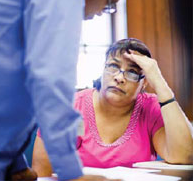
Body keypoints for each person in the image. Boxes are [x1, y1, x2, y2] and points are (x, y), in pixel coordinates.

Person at [0, 0, 134, 180]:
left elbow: (9, 66)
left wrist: (15, 163)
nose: (102, 12)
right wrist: (72, 173)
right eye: (110, 3)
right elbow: (50, 74)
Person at [33, 38, 193, 176]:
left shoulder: (150, 108)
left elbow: (184, 155)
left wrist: (159, 83)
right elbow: (43, 172)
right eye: (113, 66)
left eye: (132, 72)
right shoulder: (73, 108)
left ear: (143, 82)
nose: (119, 77)